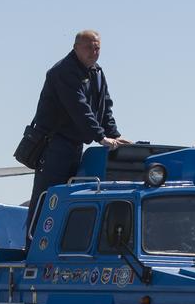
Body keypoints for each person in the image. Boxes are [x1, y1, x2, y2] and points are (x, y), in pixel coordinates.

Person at [25, 30, 129, 230]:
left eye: (97, 47)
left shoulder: (97, 72)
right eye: (88, 47)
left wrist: (115, 135)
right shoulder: (64, 71)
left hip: (75, 145)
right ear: (75, 48)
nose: (93, 52)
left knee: (72, 199)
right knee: (48, 197)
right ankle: (34, 252)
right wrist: (100, 137)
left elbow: (105, 106)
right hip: (54, 145)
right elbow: (78, 108)